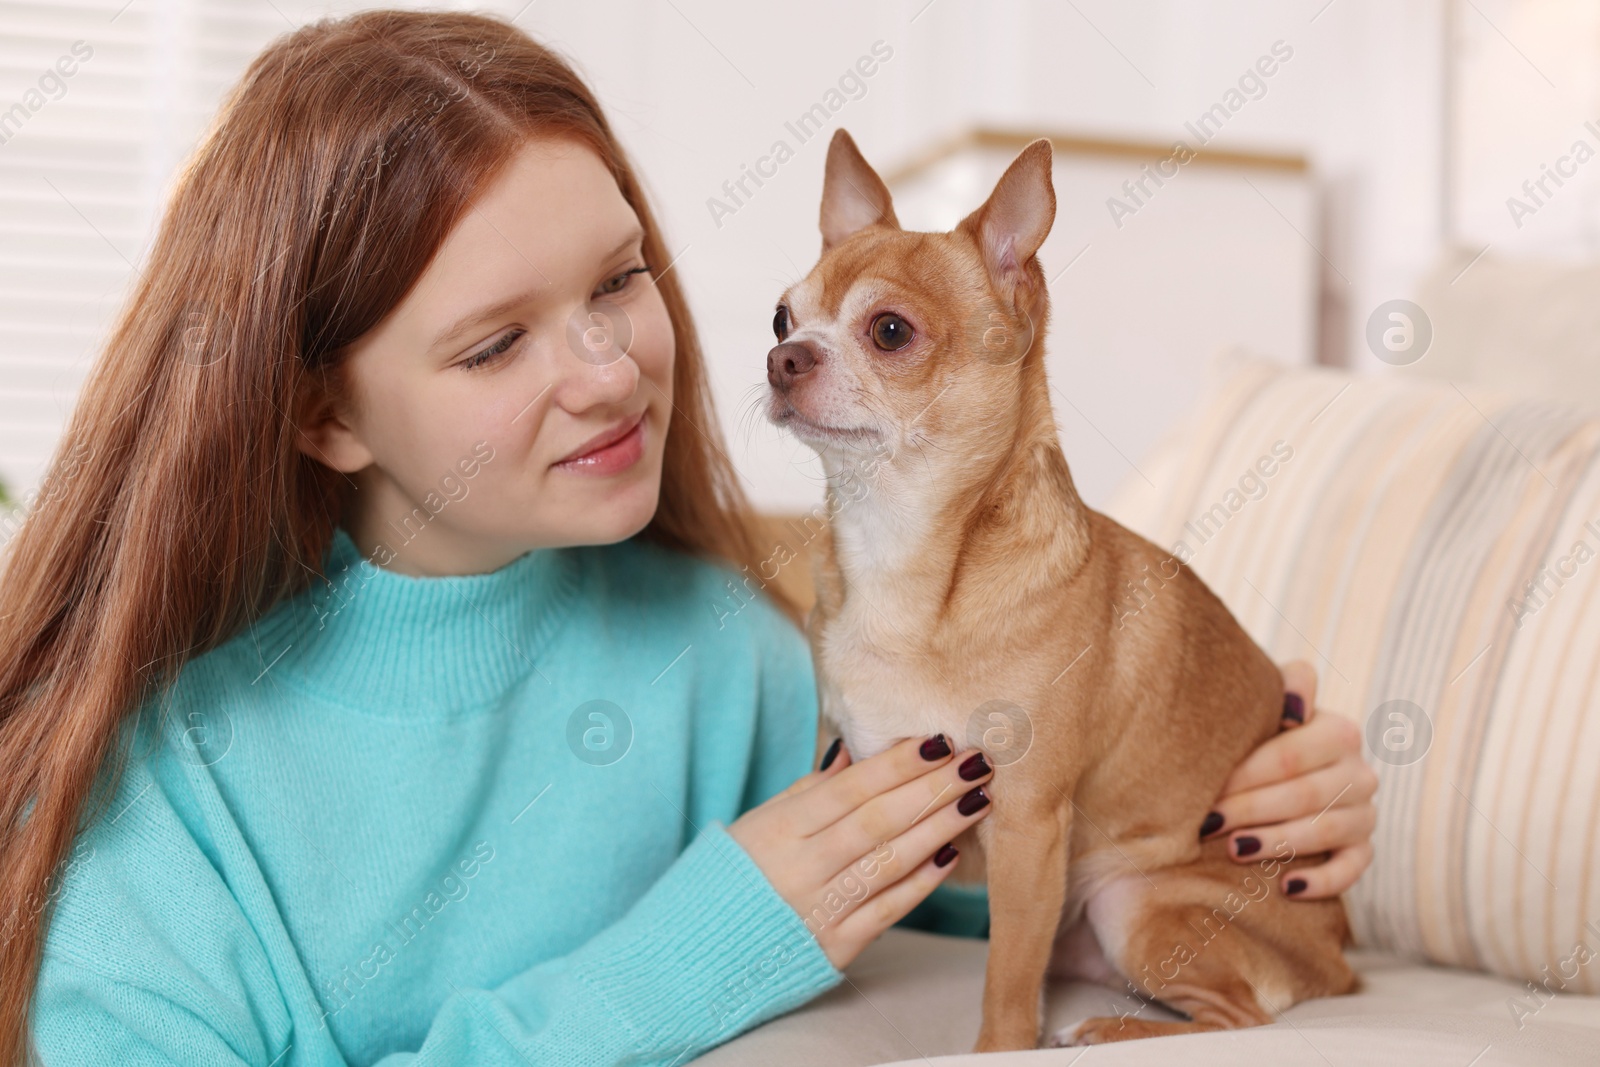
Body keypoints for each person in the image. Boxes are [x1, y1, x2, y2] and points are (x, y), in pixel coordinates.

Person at [0, 10, 1377, 1066]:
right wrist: (678, 960)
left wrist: (1243, 803)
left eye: (620, 279)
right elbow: (758, 916)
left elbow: (964, 880)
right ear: (323, 419)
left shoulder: (737, 653)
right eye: (495, 343)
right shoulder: (164, 784)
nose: (611, 370)